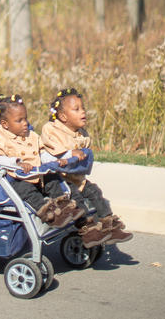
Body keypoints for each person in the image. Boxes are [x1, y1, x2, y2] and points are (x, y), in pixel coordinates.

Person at [0, 95, 102, 240]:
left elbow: (42, 153)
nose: (25, 123)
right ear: (5, 124)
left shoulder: (31, 136)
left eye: (25, 119)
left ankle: (64, 206)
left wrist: (57, 160)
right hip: (15, 178)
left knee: (54, 178)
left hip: (37, 174)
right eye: (19, 120)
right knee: (26, 190)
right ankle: (49, 214)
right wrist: (17, 162)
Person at [41, 88, 133, 245]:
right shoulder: (51, 130)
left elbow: (84, 150)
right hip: (59, 180)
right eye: (76, 109)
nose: (83, 112)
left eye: (82, 108)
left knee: (95, 192)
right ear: (63, 116)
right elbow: (51, 152)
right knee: (77, 199)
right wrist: (69, 154)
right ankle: (88, 230)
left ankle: (108, 225)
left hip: (76, 177)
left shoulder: (80, 132)